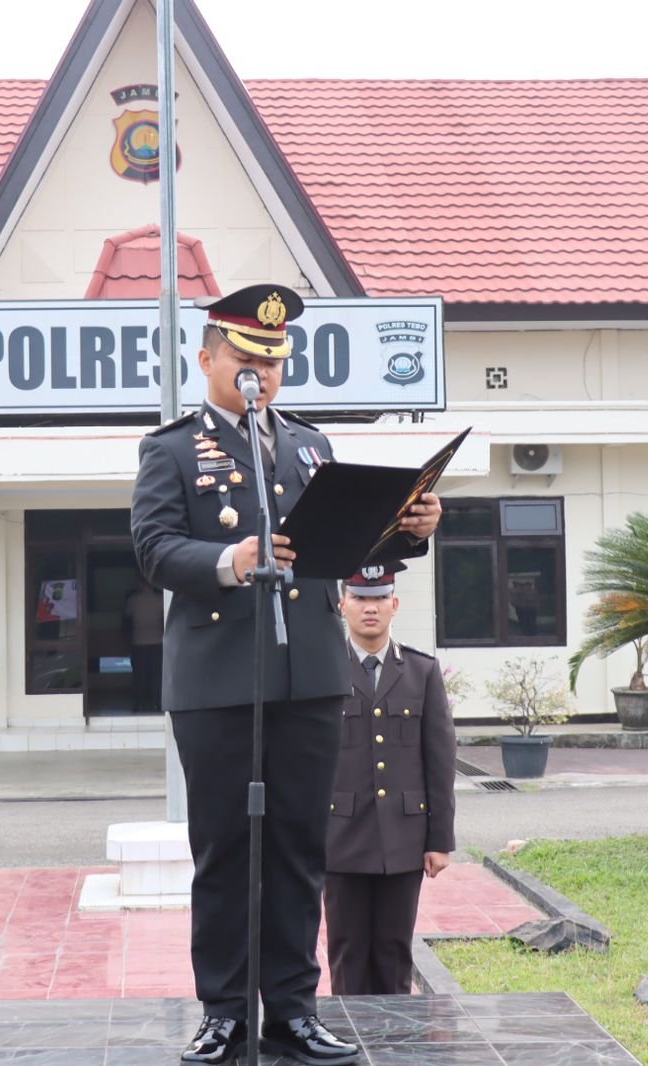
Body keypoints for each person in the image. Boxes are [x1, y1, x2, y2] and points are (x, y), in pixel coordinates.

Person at [131, 283, 442, 1065]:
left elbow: (345, 548)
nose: (261, 374)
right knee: (226, 853)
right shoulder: (172, 450)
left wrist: (409, 529)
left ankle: (295, 1014)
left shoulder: (310, 445)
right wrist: (231, 560)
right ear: (207, 360)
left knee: (302, 849)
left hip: (309, 676)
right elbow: (153, 549)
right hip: (217, 683)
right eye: (246, 359)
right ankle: (225, 1016)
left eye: (273, 362)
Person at [323, 562, 457, 996]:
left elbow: (439, 761)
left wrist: (439, 839)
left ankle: (396, 1034)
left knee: (395, 953)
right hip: (339, 837)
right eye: (360, 598)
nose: (370, 608)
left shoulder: (421, 671)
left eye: (380, 598)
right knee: (346, 953)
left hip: (403, 838)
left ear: (394, 605)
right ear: (342, 604)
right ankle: (348, 1032)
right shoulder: (322, 670)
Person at [124, 578, 165, 713]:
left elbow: (127, 618)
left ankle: (139, 703)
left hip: (138, 641)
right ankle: (157, 703)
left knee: (139, 675)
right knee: (157, 674)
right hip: (158, 641)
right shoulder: (161, 599)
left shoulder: (132, 600)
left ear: (140, 584)